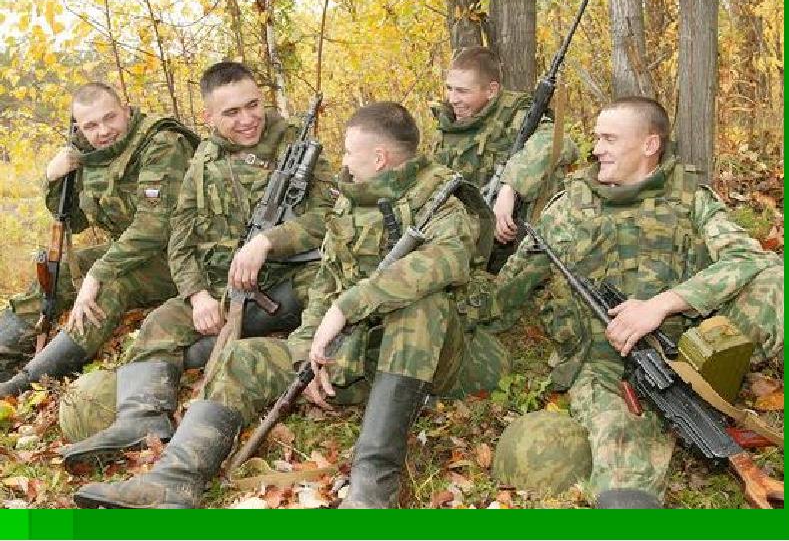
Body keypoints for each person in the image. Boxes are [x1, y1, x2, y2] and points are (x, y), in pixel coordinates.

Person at [72, 101, 510, 509]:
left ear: (379, 158)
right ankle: (174, 480)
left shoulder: (444, 199)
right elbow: (326, 283)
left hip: (435, 362)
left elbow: (446, 261)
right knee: (240, 357)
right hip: (362, 357)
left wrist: (347, 307)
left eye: (349, 152)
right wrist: (306, 352)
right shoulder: (350, 200)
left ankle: (373, 486)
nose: (342, 161)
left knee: (420, 308)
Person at [491, 96, 783, 508]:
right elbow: (507, 291)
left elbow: (747, 257)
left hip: (693, 351)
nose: (596, 149)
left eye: (609, 139)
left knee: (780, 280)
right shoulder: (571, 207)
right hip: (609, 363)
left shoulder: (690, 198)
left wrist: (662, 304)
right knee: (622, 465)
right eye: (596, 138)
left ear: (650, 145)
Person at [57, 62, 335, 466]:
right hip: (225, 286)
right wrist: (197, 294)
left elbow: (330, 215)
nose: (247, 119)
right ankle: (142, 421)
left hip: (292, 278)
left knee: (325, 302)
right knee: (159, 325)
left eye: (253, 105)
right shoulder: (202, 160)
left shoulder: (296, 146)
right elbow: (179, 239)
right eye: (231, 112)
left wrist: (268, 241)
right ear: (208, 117)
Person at [0, 84, 198, 396]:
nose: (103, 131)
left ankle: (27, 382)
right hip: (138, 252)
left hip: (187, 256)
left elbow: (155, 226)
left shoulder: (163, 143)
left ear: (126, 109)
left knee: (111, 284)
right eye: (91, 125)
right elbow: (75, 221)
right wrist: (53, 179)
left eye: (110, 118)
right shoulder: (87, 153)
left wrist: (97, 274)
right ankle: (4, 354)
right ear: (79, 127)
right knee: (57, 270)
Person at [430, 46, 577, 272]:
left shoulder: (516, 114)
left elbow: (558, 143)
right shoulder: (448, 123)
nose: (452, 99)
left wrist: (510, 187)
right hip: (464, 236)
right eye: (449, 88)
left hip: (513, 241)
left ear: (491, 90)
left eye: (462, 91)